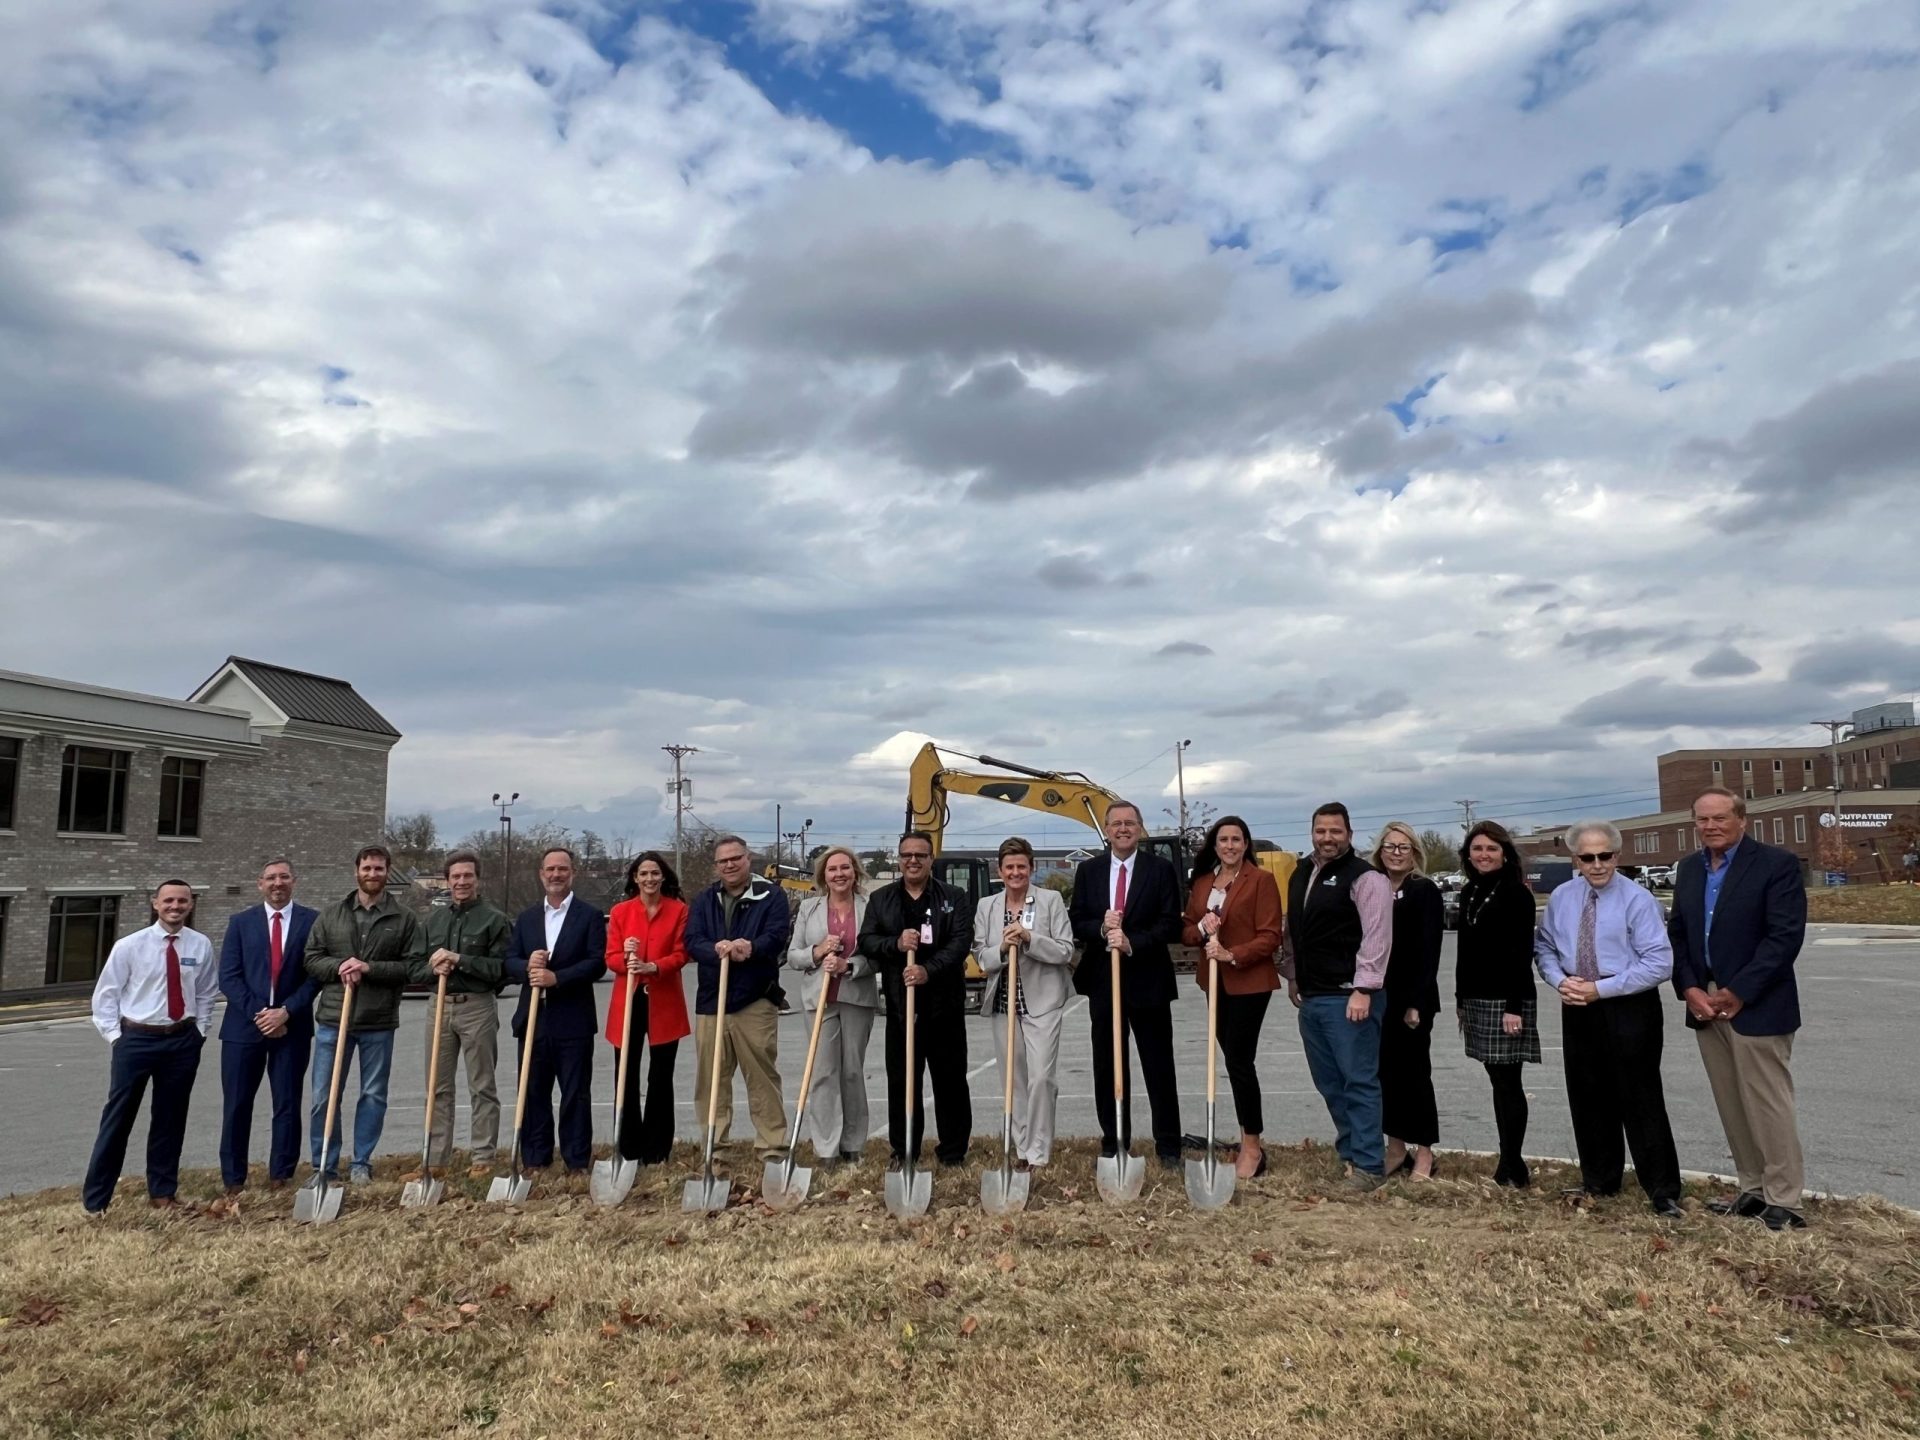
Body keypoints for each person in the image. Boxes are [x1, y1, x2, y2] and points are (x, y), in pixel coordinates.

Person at [1670, 787, 1810, 1231]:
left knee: (1767, 1102)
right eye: (1702, 820)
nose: (1710, 826)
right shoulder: (1690, 869)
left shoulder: (1776, 865)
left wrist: (1740, 990)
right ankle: (1751, 1189)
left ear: (1742, 819)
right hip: (1705, 1002)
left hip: (1757, 1002)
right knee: (1731, 1101)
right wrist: (1690, 986)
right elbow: (1678, 934)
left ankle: (1784, 1198)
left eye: (1719, 818)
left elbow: (1784, 937)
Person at [1536, 821, 1683, 1217]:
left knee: (1640, 1097)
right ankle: (1600, 1179)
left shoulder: (1638, 900)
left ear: (1617, 856)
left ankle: (1662, 1187)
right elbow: (1545, 947)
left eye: (1605, 856)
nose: (1597, 864)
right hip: (1578, 1003)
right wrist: (1559, 980)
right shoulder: (1563, 898)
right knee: (1587, 1094)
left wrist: (1601, 989)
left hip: (1628, 1004)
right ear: (1576, 859)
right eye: (1588, 857)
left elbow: (1659, 963)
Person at [82, 880, 219, 1214]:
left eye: (183, 900)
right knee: (118, 1118)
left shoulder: (200, 945)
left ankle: (163, 1193)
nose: (176, 906)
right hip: (137, 1040)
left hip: (182, 1041)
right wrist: (117, 1037)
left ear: (191, 905)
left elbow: (206, 993)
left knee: (170, 1119)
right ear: (155, 903)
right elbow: (106, 996)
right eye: (169, 900)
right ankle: (97, 1200)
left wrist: (199, 1031)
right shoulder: (130, 946)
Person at [1281, 802, 1392, 1189]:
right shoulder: (1301, 873)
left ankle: (1369, 1166)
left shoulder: (1366, 878)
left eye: (1336, 831)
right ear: (1312, 832)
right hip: (1312, 998)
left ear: (1349, 833)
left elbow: (1377, 939)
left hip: (1349, 998)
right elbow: (1293, 929)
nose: (1327, 838)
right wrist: (1293, 976)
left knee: (1358, 1082)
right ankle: (1349, 1154)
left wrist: (1363, 989)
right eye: (1321, 831)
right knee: (1330, 1084)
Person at [1069, 801, 1185, 1169]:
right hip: (1104, 982)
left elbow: (1170, 923)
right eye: (1116, 823)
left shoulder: (1160, 870)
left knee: (1158, 1066)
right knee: (1108, 1065)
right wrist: (1103, 929)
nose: (1123, 829)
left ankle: (1168, 1146)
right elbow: (1077, 921)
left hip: (1148, 980)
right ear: (1106, 830)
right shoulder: (1089, 871)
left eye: (1130, 823)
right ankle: (1114, 1140)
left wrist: (1132, 941)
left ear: (1140, 828)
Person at [302, 844, 425, 1184]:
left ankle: (361, 1162)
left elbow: (413, 968)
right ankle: (323, 1164)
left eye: (379, 869)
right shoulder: (331, 915)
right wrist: (340, 965)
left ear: (388, 873)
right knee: (323, 1096)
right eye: (367, 868)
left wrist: (369, 967)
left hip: (378, 1021)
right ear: (356, 871)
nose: (373, 874)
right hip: (332, 1020)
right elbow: (311, 958)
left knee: (372, 1095)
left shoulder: (403, 919)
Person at [859, 831, 973, 1169]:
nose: (913, 860)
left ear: (931, 859)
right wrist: (894, 944)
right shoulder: (881, 899)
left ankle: (953, 1151)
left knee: (950, 1080)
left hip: (945, 1005)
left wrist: (928, 970)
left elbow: (960, 942)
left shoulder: (953, 896)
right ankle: (905, 1149)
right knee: (903, 1079)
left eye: (920, 855)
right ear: (899, 859)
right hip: (900, 1005)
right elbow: (867, 940)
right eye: (907, 855)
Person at [1181, 816, 1283, 1179]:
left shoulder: (1261, 881)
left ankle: (1252, 1146)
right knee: (1233, 1061)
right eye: (1223, 840)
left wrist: (1233, 954)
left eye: (1236, 840)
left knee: (1240, 1060)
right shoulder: (1204, 882)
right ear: (1215, 844)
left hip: (1249, 982)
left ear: (1246, 844)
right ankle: (1246, 1137)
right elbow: (1188, 929)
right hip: (1215, 983)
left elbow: (1271, 935)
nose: (1229, 846)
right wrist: (1200, 930)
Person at [685, 835, 792, 1162]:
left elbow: (776, 936)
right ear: (716, 866)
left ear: (748, 860)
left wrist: (751, 948)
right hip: (711, 1001)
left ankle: (772, 1148)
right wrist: (715, 950)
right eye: (723, 861)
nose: (730, 865)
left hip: (755, 999)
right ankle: (715, 1150)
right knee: (712, 1080)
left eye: (736, 858)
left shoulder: (770, 896)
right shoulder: (705, 900)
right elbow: (692, 940)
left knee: (762, 1076)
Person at [216, 857, 317, 1196]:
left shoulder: (312, 922)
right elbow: (228, 977)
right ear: (260, 884)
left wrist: (285, 1012)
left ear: (294, 881)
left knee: (287, 1102)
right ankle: (233, 1178)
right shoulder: (241, 923)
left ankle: (281, 1173)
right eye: (271, 878)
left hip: (293, 1028)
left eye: (284, 877)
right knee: (237, 1104)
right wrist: (262, 1014)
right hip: (243, 1029)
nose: (278, 883)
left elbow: (315, 976)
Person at [973, 837, 1076, 1171]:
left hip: (1042, 1002)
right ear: (1000, 870)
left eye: (1021, 866)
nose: (1015, 872)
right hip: (1004, 1004)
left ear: (1031, 868)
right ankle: (1021, 1148)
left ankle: (1039, 1151)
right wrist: (1002, 948)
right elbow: (980, 958)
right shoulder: (987, 906)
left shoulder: (1050, 901)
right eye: (1009, 867)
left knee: (1041, 1078)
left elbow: (1065, 950)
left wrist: (1031, 939)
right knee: (1013, 1080)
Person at [503, 847, 607, 1174]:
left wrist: (557, 978)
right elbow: (509, 961)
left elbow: (596, 963)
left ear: (572, 873)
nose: (556, 875)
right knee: (534, 1090)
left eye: (562, 869)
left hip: (573, 1020)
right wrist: (526, 967)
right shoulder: (527, 917)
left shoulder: (589, 916)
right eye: (550, 869)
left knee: (575, 1092)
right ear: (541, 874)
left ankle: (576, 1160)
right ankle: (536, 1158)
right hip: (533, 1019)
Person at [1452, 820, 1541, 1188]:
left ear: (1504, 854)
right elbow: (1464, 951)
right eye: (1477, 849)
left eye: (1491, 849)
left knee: (1508, 1082)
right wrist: (1459, 999)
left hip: (1507, 1000)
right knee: (1495, 1078)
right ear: (1468, 855)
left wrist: (1514, 1007)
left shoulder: (1516, 894)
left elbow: (1521, 954)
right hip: (1475, 998)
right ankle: (1508, 1160)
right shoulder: (1471, 890)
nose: (1484, 855)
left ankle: (1512, 1164)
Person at [415, 850, 510, 1180]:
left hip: (477, 1007)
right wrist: (432, 966)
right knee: (437, 1086)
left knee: (481, 1084)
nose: (461, 881)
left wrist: (459, 959)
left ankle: (483, 1156)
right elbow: (415, 965)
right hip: (438, 1006)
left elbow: (501, 970)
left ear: (477, 879)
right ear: (447, 880)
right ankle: (436, 1159)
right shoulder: (434, 920)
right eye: (455, 876)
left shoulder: (494, 919)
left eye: (467, 875)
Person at [786, 846, 878, 1166]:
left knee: (852, 1072)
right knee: (823, 1072)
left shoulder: (870, 906)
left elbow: (878, 953)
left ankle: (853, 1143)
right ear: (823, 875)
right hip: (819, 999)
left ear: (855, 872)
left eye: (845, 867)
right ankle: (826, 1147)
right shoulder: (809, 908)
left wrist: (850, 966)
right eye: (832, 869)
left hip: (857, 998)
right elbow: (793, 955)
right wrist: (817, 951)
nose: (839, 874)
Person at [604, 851, 690, 1166]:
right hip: (628, 1000)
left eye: (655, 873)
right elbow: (610, 958)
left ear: (663, 876)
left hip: (663, 1000)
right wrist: (627, 961)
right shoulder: (620, 912)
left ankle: (657, 1149)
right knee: (625, 1073)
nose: (650, 879)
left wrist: (653, 966)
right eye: (643, 874)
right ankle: (628, 1147)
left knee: (661, 1075)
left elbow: (682, 953)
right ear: (635, 878)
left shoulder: (679, 911)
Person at [1369, 822, 1442, 1181]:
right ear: (1380, 850)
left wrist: (1417, 1002)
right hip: (1380, 994)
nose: (1396, 853)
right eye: (1390, 846)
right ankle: (1395, 1147)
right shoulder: (1373, 886)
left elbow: (1430, 951)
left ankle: (1425, 1151)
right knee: (1386, 1075)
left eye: (1404, 847)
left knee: (1415, 1075)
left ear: (1414, 852)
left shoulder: (1424, 890)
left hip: (1413, 998)